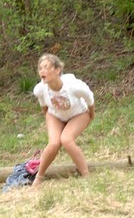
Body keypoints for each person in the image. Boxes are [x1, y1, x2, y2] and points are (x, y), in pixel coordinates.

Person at [32, 53, 95, 187]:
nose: (42, 71)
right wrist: (52, 120)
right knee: (54, 143)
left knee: (66, 140)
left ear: (57, 70)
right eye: (40, 68)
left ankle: (86, 175)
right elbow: (44, 106)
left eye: (46, 67)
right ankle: (39, 177)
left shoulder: (73, 85)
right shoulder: (40, 89)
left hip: (78, 113)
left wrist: (91, 115)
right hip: (55, 115)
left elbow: (89, 97)